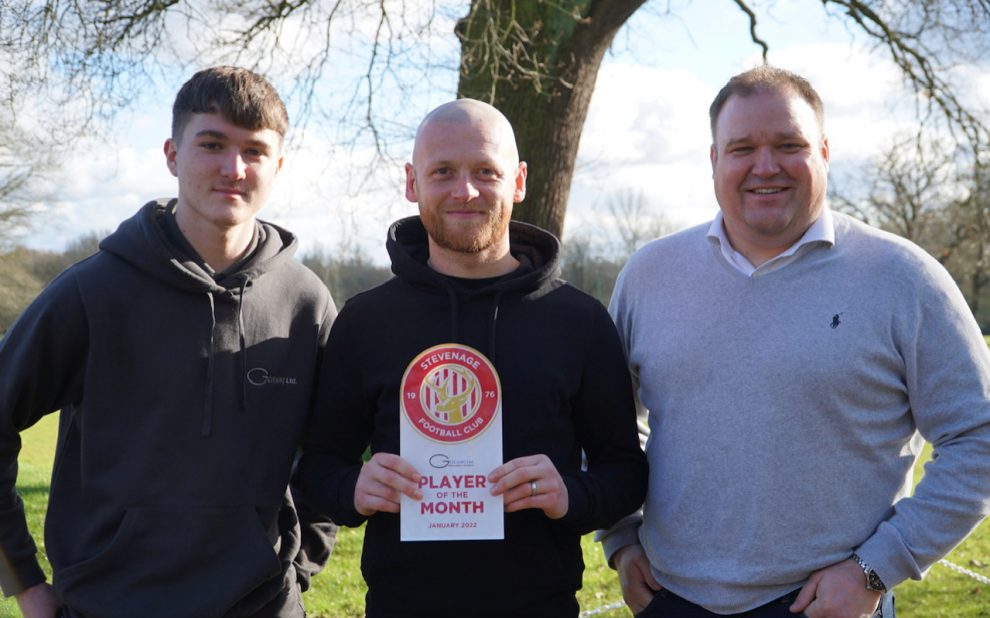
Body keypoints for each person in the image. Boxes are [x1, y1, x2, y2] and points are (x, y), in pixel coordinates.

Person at [599, 64, 990, 618]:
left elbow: (978, 436)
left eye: (789, 145)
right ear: (713, 159)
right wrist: (620, 537)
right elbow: (606, 425)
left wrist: (878, 566)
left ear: (824, 152)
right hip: (669, 598)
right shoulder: (648, 275)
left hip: (827, 604)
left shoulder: (903, 278)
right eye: (742, 148)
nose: (766, 166)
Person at [0, 66, 337, 617]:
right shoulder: (92, 291)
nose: (233, 168)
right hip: (110, 605)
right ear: (172, 155)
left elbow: (331, 450)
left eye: (254, 151)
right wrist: (23, 581)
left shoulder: (306, 301)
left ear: (277, 166)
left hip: (265, 606)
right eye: (212, 144)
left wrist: (302, 566)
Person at [297, 98, 648, 617]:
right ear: (412, 182)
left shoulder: (579, 321)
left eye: (486, 171)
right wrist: (354, 488)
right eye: (443, 171)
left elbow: (625, 472)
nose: (465, 191)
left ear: (519, 181)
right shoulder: (366, 321)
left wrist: (570, 494)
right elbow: (317, 469)